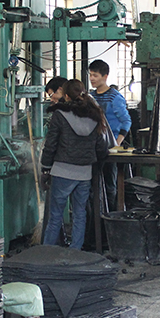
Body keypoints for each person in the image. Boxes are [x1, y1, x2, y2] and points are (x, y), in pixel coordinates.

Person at [41, 79, 109, 250]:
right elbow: (101, 147)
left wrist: (45, 167)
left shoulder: (59, 115)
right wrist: (96, 166)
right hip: (84, 173)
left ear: (66, 96)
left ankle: (46, 252)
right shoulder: (94, 115)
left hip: (62, 171)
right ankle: (75, 252)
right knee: (80, 214)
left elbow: (51, 144)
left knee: (55, 216)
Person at [88, 59, 131, 209]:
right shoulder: (90, 97)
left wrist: (116, 143)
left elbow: (126, 121)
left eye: (95, 75)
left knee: (109, 185)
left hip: (109, 149)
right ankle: (95, 218)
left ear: (105, 76)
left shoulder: (114, 98)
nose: (92, 78)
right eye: (90, 75)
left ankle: (110, 216)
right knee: (92, 186)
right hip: (93, 148)